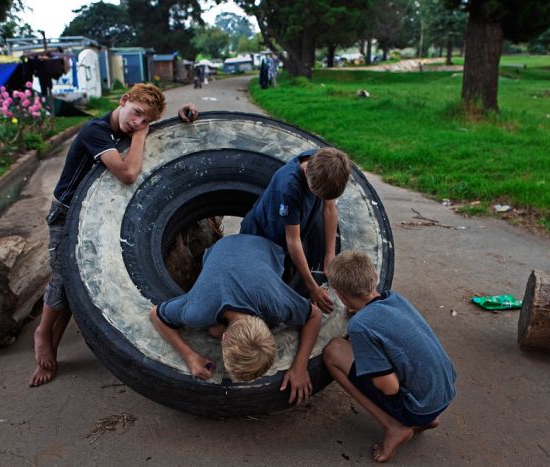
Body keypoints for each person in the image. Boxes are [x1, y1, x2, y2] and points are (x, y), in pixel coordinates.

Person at [30, 83, 198, 387]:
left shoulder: (127, 125)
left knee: (74, 278)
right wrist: (140, 135)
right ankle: (43, 332)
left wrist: (184, 113)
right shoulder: (95, 130)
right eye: (135, 113)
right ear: (123, 101)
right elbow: (127, 173)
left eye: (146, 120)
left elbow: (156, 127)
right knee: (62, 277)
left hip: (92, 213)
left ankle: (52, 344)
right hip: (66, 213)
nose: (137, 123)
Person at [149, 234, 324, 405]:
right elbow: (156, 314)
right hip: (222, 249)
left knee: (214, 328)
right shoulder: (197, 311)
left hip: (264, 246)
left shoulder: (274, 300)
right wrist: (190, 356)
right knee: (212, 327)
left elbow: (314, 315)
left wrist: (300, 366)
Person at [322, 251, 456, 463]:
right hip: (443, 391)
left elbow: (389, 387)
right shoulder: (395, 299)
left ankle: (394, 427)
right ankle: (428, 419)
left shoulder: (361, 326)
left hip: (419, 406)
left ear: (339, 294)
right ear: (374, 276)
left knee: (333, 351)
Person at [240, 147, 350, 313]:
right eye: (316, 193)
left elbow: (329, 209)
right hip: (261, 236)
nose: (320, 198)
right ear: (306, 170)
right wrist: (312, 287)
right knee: (259, 289)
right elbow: (293, 241)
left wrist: (330, 254)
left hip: (290, 231)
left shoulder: (325, 163)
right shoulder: (288, 187)